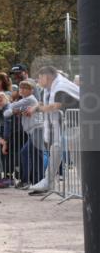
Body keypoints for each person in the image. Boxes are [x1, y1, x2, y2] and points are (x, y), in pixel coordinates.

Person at [26, 66, 80, 196]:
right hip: (67, 126)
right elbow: (43, 103)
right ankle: (48, 182)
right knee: (56, 150)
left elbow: (55, 106)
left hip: (77, 125)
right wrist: (36, 107)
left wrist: (37, 109)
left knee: (78, 157)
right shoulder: (50, 89)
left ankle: (86, 186)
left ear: (47, 77)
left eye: (40, 77)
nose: (38, 80)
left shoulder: (61, 87)